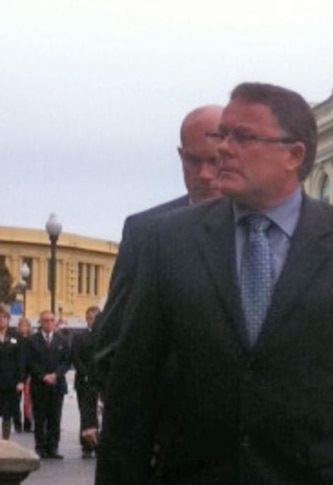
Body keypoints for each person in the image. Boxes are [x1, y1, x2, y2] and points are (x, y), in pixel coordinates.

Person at [97, 82, 333, 485]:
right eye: (224, 134)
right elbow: (131, 398)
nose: (224, 148)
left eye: (242, 137)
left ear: (294, 155)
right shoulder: (168, 244)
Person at [93, 104, 223, 388]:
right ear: (180, 156)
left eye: (216, 161)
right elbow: (109, 346)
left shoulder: (265, 231)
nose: (203, 174)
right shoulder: (145, 232)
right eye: (193, 161)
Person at [28, 310, 71, 459]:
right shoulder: (32, 340)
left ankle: (53, 447)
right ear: (40, 322)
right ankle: (40, 447)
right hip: (39, 385)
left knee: (55, 418)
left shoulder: (62, 340)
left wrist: (55, 375)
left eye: (51, 320)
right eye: (45, 320)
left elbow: (66, 361)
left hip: (56, 386)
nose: (49, 323)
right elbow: (31, 362)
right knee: (39, 418)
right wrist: (43, 376)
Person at [72, 305, 100, 458]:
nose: (92, 321)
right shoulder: (79, 337)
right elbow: (76, 358)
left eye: (95, 318)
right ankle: (86, 445)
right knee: (85, 413)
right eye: (90, 318)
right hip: (84, 380)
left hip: (99, 380)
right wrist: (86, 373)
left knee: (98, 413)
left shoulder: (104, 335)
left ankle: (98, 442)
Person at [0, 306, 24, 440]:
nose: (1, 319)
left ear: (8, 319)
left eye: (4, 316)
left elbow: (20, 360)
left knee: (7, 414)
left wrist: (20, 380)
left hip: (10, 383)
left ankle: (5, 443)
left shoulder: (15, 336)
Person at [13, 317, 33, 433]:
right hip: (17, 375)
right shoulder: (15, 340)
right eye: (21, 325)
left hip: (29, 375)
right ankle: (17, 424)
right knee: (16, 401)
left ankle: (28, 423)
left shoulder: (32, 340)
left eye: (25, 325)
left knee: (28, 402)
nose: (23, 327)